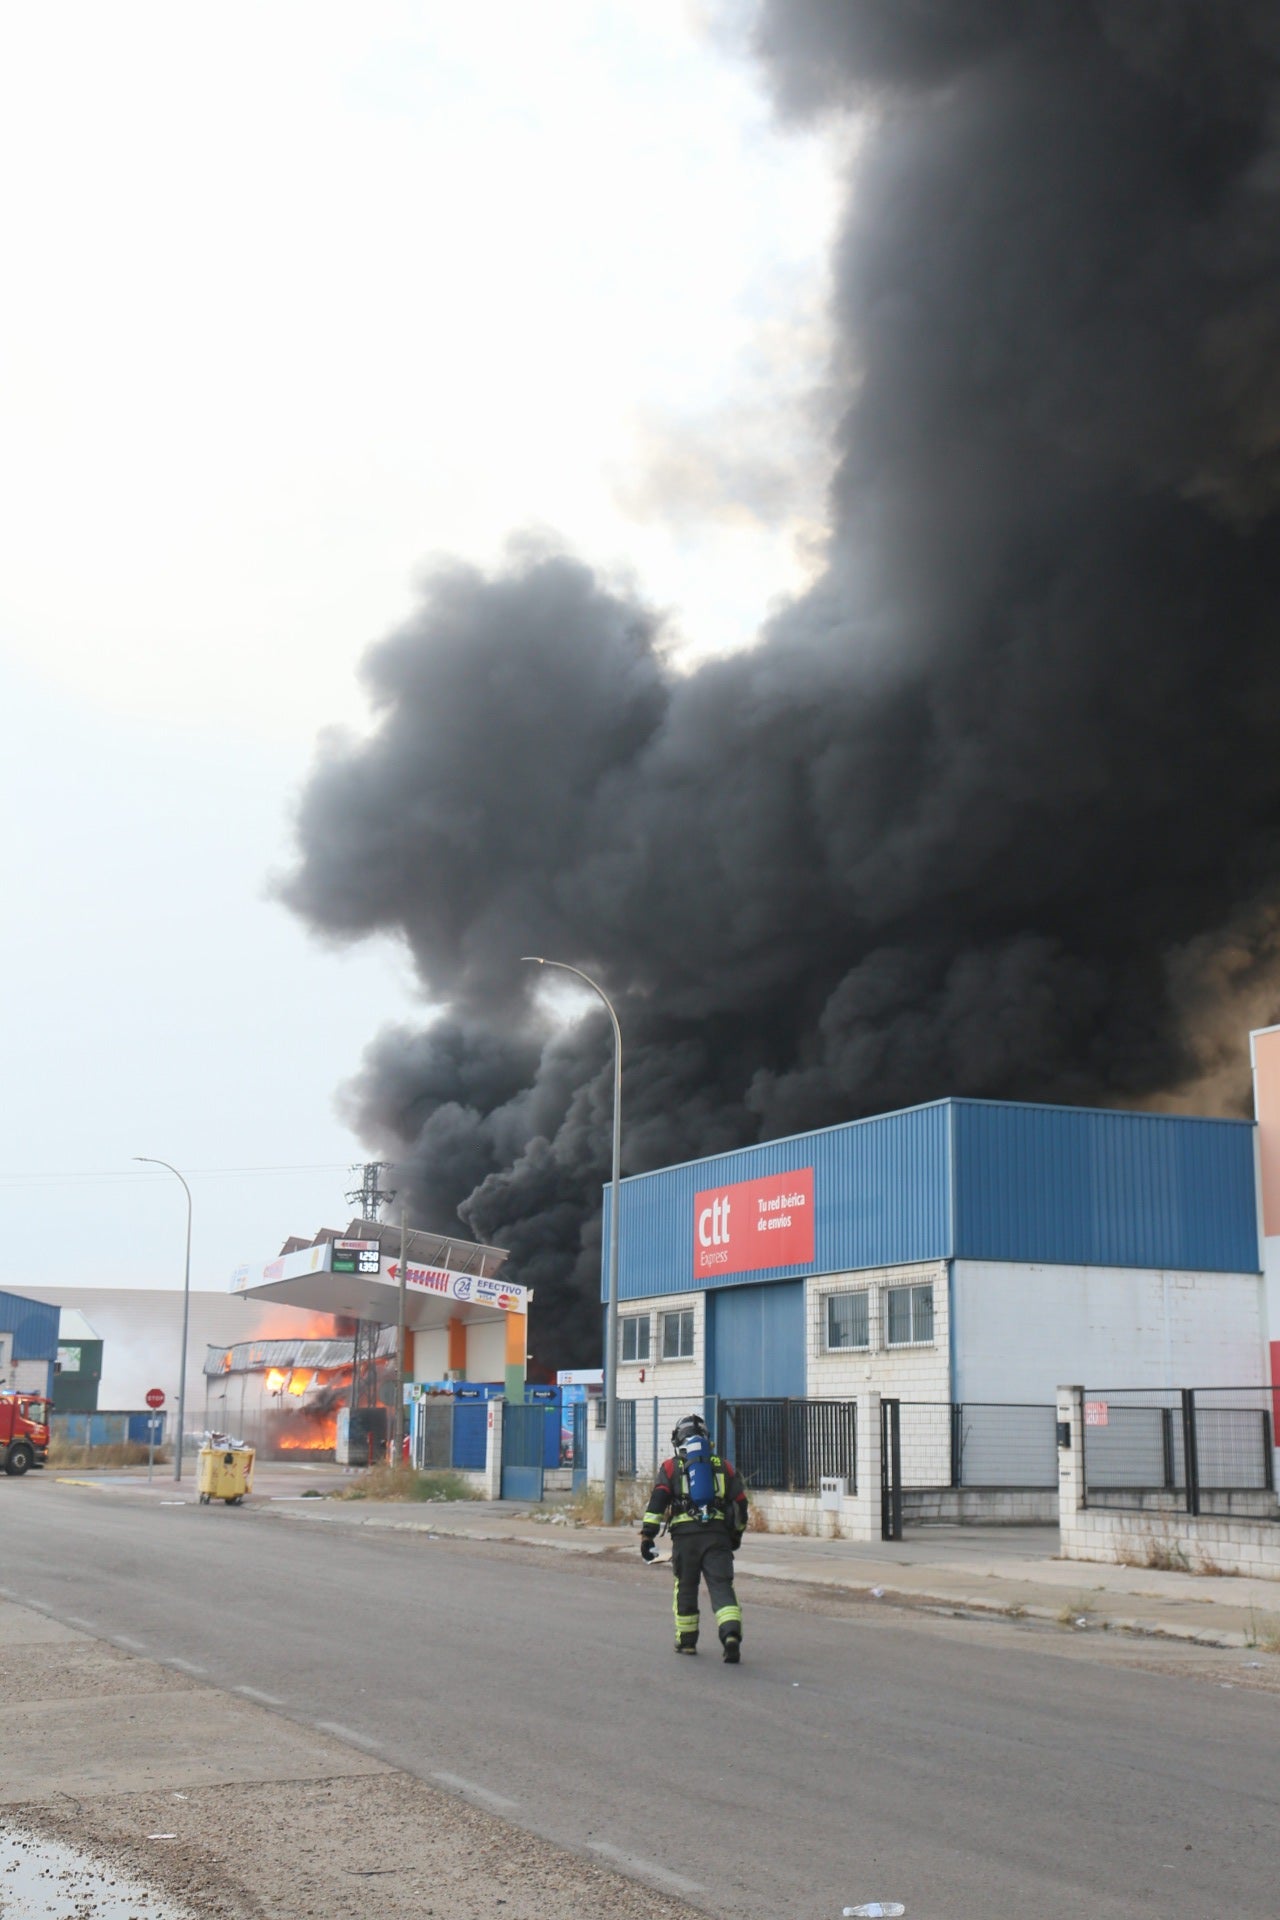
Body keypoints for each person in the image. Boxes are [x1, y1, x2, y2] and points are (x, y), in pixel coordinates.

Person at [640, 1413, 749, 1662]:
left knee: (686, 1587)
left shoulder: (670, 1467)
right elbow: (741, 1505)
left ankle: (687, 1642)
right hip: (717, 1537)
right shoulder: (724, 1466)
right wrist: (736, 1534)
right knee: (722, 1586)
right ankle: (730, 1633)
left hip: (685, 1539)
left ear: (678, 1439)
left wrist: (647, 1536)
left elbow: (658, 1501)